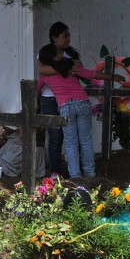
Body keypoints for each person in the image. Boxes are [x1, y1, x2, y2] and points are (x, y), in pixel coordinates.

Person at [37, 43, 125, 178]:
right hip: (83, 103)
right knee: (86, 141)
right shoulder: (71, 66)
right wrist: (112, 77)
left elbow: (36, 90)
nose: (62, 53)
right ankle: (90, 174)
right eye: (59, 52)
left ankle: (75, 176)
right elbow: (91, 74)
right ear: (53, 57)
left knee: (71, 142)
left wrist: (34, 104)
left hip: (66, 106)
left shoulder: (44, 74)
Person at [38, 21, 81, 176]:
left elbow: (79, 72)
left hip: (69, 99)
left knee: (71, 135)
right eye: (64, 36)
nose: (68, 39)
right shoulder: (45, 53)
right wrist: (65, 68)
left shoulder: (72, 54)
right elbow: (43, 70)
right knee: (55, 135)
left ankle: (74, 169)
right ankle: (55, 171)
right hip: (49, 98)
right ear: (54, 38)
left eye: (69, 35)